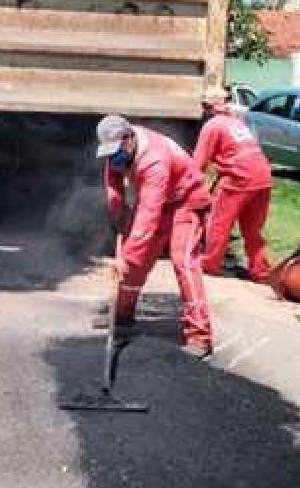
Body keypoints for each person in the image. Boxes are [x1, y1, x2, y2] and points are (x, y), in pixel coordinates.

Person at [96, 114, 215, 359]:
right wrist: (119, 211)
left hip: (187, 201)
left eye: (116, 151)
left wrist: (125, 257)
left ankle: (199, 334)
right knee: (137, 262)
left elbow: (148, 216)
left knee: (182, 261)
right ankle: (123, 317)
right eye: (109, 152)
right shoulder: (119, 147)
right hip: (159, 199)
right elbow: (113, 179)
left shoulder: (154, 161)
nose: (113, 157)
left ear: (129, 139)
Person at [194, 89, 274, 281]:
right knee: (253, 229)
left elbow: (198, 164)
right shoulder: (237, 122)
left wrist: (189, 191)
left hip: (239, 177)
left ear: (207, 107)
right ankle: (260, 270)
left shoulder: (213, 125)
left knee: (218, 222)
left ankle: (210, 263)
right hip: (263, 176)